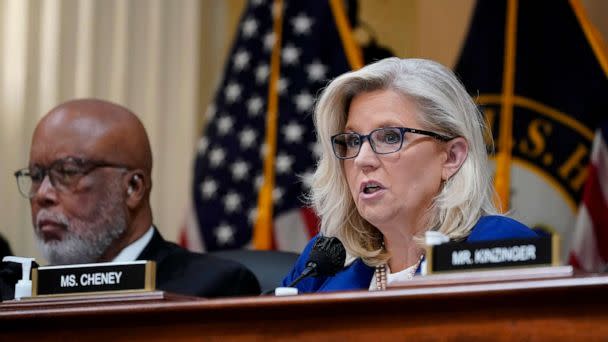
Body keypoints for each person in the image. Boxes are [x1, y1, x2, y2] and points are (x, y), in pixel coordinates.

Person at [282, 58, 538, 292]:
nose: (361, 159)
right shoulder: (323, 262)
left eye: (390, 137)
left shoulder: (498, 246)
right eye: (352, 140)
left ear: (451, 157)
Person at [13, 99, 260, 298]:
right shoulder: (19, 294)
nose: (43, 194)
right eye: (36, 176)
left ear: (133, 188)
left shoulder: (214, 289)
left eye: (67, 172)